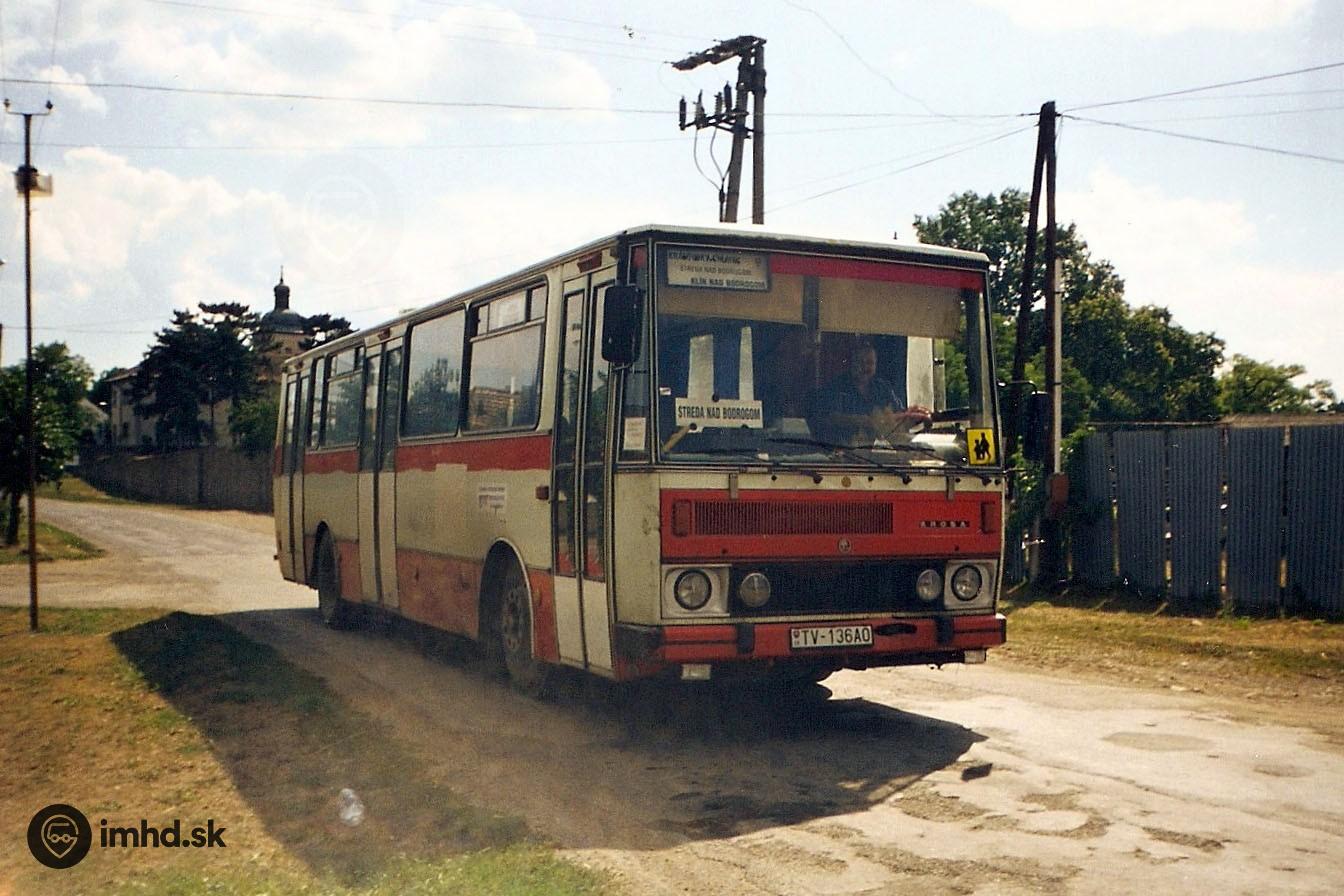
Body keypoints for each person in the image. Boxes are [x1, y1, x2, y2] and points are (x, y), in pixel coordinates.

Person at [810, 341, 931, 445]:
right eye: (860, 362)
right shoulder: (836, 387)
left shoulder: (883, 388)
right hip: (844, 453)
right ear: (851, 363)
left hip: (878, 455)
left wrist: (911, 416)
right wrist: (865, 421)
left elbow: (897, 417)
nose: (865, 367)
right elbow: (830, 419)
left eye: (869, 363)